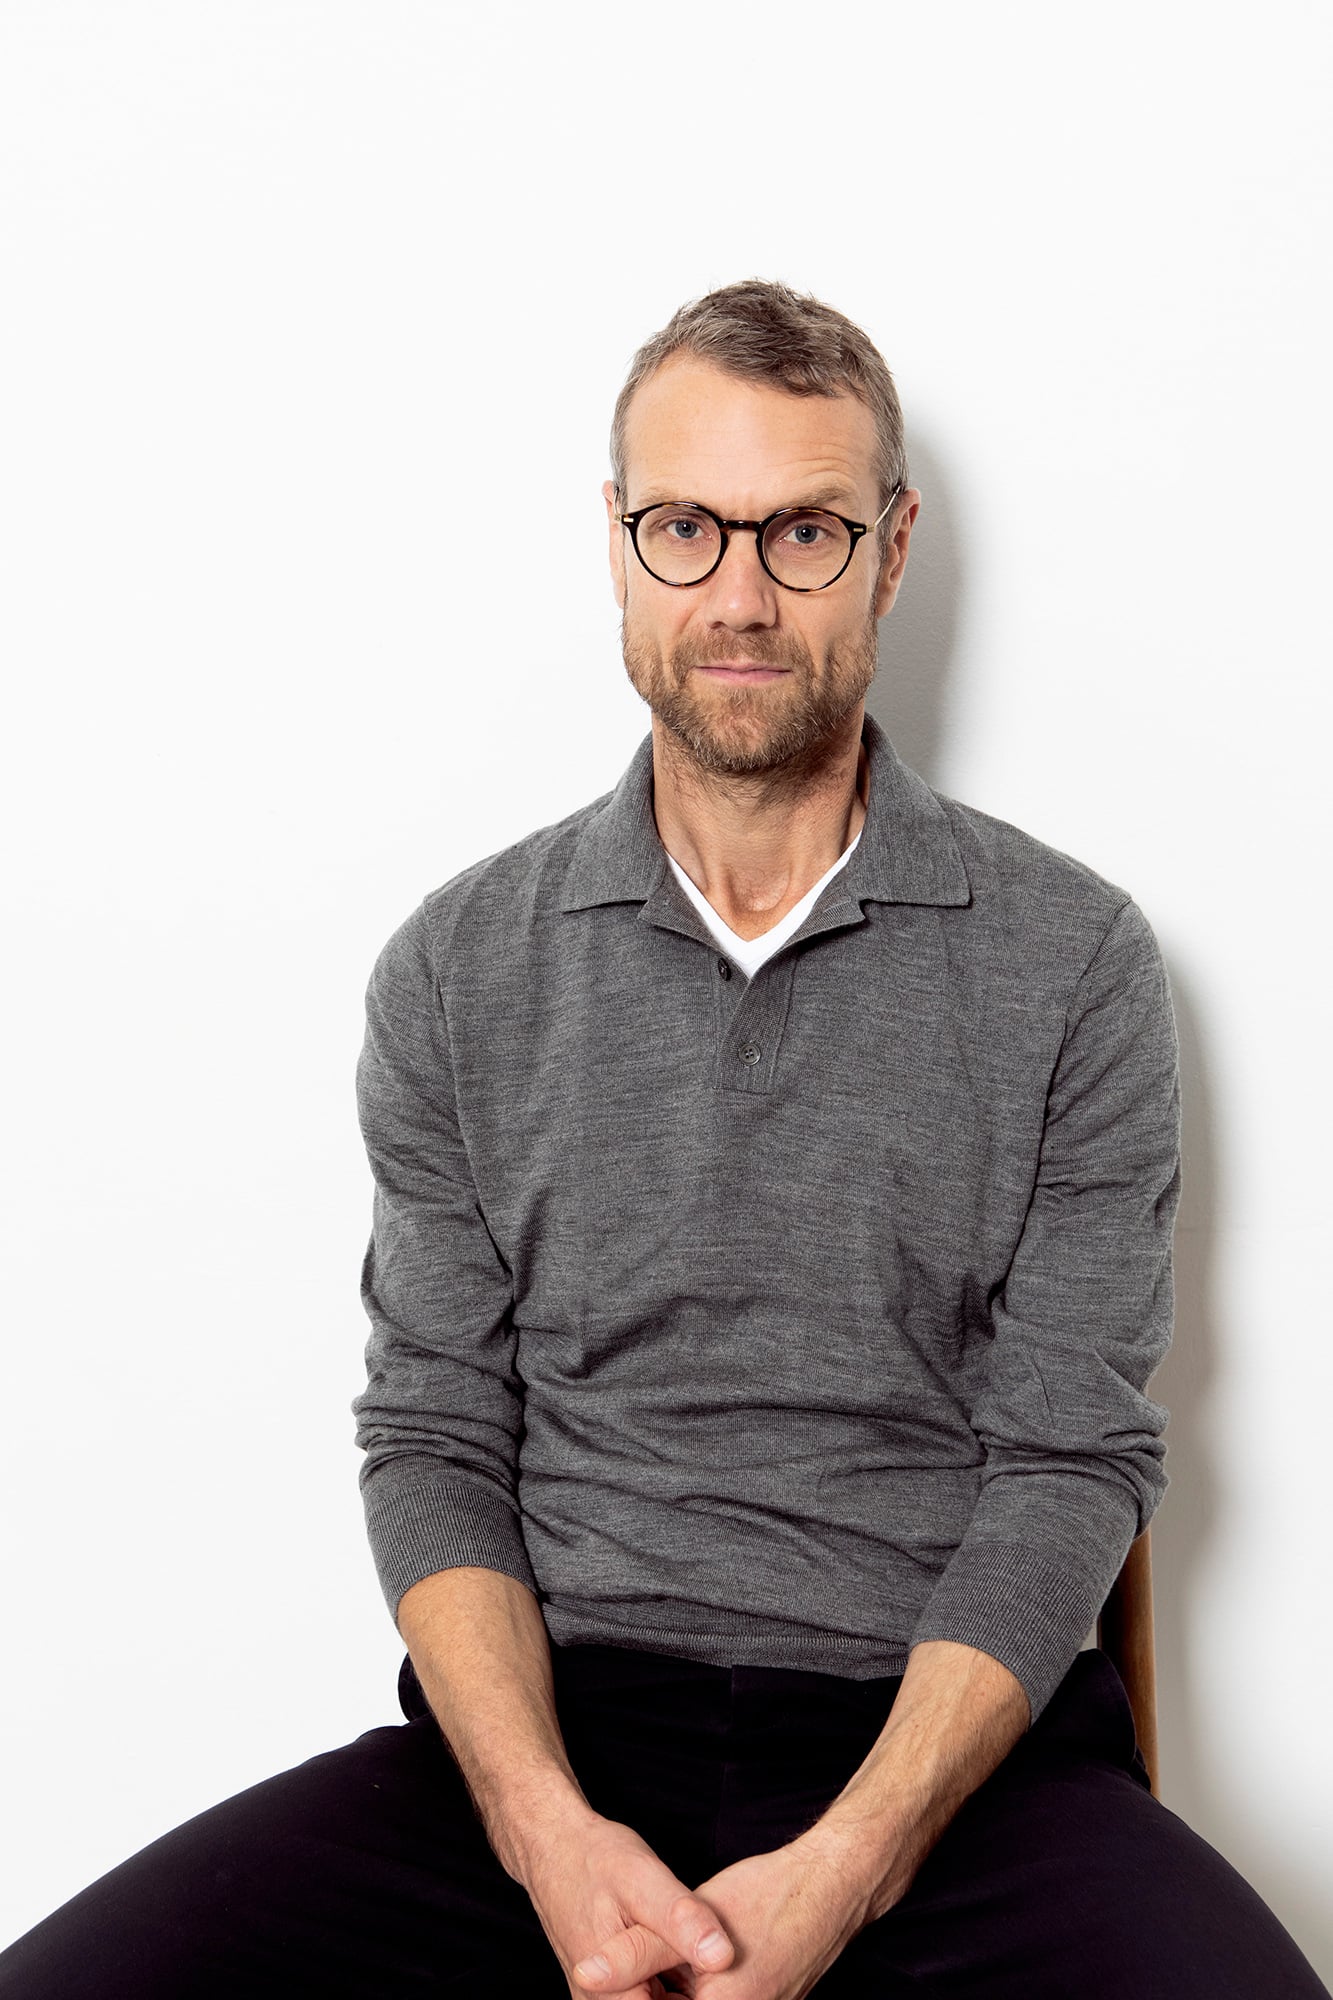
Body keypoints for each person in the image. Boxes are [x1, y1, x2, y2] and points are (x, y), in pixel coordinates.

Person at [1, 279, 1326, 2000]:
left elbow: (1069, 1460)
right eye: (687, 528)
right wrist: (545, 1834)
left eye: (805, 533)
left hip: (943, 1756)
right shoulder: (460, 965)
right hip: (556, 1744)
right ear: (617, 545)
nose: (741, 595)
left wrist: (847, 1869)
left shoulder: (1071, 960)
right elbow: (433, 1430)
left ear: (891, 550)